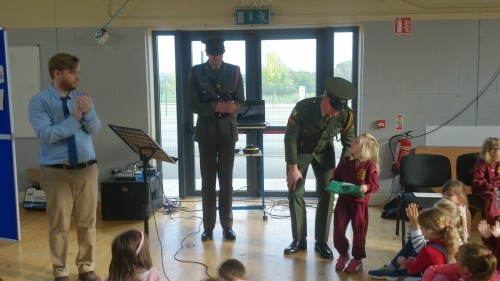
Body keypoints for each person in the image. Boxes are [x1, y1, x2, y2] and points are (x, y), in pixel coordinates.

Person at [29, 53, 102, 281]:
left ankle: (86, 267)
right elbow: (46, 134)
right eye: (73, 72)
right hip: (56, 172)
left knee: (87, 222)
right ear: (57, 74)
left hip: (87, 169)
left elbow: (95, 128)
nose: (78, 77)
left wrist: (88, 112)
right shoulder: (39, 101)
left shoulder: (82, 97)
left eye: (78, 72)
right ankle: (60, 270)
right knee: (59, 224)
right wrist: (74, 118)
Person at [283, 77, 356, 259]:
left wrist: (340, 171)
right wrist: (293, 168)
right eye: (333, 108)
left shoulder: (345, 114)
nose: (335, 113)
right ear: (325, 99)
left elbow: (349, 145)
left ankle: (321, 241)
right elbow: (290, 138)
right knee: (295, 191)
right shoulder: (304, 108)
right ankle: (299, 240)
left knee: (328, 192)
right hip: (301, 151)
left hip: (324, 153)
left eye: (339, 109)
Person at [188, 36, 244, 242]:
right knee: (208, 182)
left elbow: (241, 101)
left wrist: (233, 108)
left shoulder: (235, 70)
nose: (215, 58)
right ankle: (209, 227)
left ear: (223, 53)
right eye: (212, 55)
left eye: (219, 54)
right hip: (206, 134)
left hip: (228, 134)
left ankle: (227, 226)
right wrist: (214, 107)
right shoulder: (196, 71)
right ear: (207, 54)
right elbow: (193, 104)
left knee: (227, 182)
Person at [369, 186, 468, 280]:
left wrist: (416, 227)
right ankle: (393, 268)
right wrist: (413, 227)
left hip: (433, 275)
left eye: (436, 213)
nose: (432, 214)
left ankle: (397, 269)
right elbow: (415, 244)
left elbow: (422, 249)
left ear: (447, 221)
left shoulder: (451, 237)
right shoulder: (441, 231)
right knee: (415, 239)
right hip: (430, 270)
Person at [330, 133, 379, 273]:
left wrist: (366, 187)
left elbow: (374, 185)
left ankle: (357, 260)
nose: (353, 142)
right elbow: (336, 176)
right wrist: (332, 184)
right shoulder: (345, 160)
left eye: (357, 142)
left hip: (359, 205)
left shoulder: (370, 165)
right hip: (343, 202)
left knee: (359, 234)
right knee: (338, 231)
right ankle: (343, 254)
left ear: (363, 148)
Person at [396, 208, 459, 280]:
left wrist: (404, 262)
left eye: (422, 229)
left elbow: (414, 270)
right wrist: (417, 260)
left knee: (407, 279)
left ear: (429, 231)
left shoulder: (428, 250)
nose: (422, 232)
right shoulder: (451, 242)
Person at [422, 243, 497, 281]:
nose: (454, 256)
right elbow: (433, 269)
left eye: (457, 259)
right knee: (439, 277)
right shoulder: (463, 268)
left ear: (465, 269)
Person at [471, 137, 500, 225]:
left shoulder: (498, 162)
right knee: (492, 197)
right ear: (492, 152)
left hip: (497, 189)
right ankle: (494, 223)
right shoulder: (480, 164)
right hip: (483, 190)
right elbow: (477, 181)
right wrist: (492, 187)